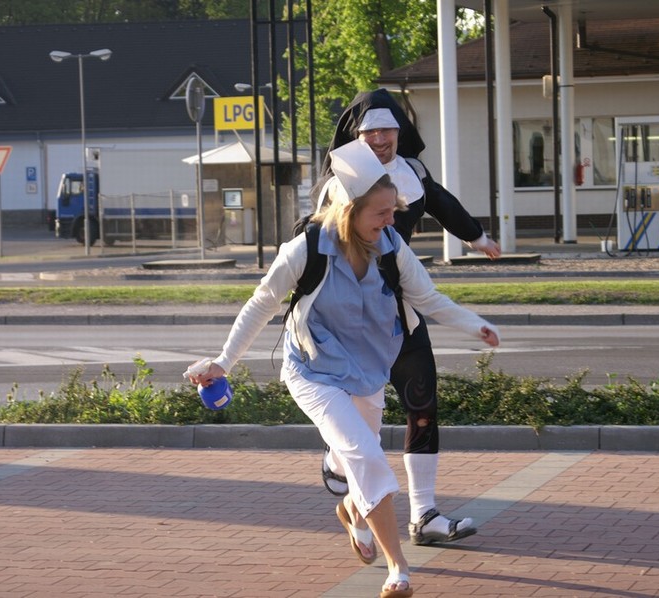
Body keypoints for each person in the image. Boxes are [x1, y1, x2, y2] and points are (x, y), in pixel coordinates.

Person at [187, 139, 500, 598]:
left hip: (368, 371)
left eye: (393, 210)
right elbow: (262, 303)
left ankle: (353, 509)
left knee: (355, 456)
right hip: (313, 370)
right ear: (349, 211)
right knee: (365, 455)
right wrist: (223, 362)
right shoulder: (306, 249)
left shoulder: (391, 247)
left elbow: (428, 298)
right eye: (381, 212)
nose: (391, 220)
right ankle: (399, 569)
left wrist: (476, 326)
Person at [317, 88, 502, 547]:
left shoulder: (413, 172)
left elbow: (441, 202)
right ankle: (343, 474)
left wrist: (477, 238)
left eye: (388, 130)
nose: (381, 139)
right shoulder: (341, 181)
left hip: (402, 308)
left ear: (400, 132)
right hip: (353, 316)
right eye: (371, 132)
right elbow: (314, 243)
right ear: (356, 136)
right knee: (362, 420)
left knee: (422, 405)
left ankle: (424, 515)